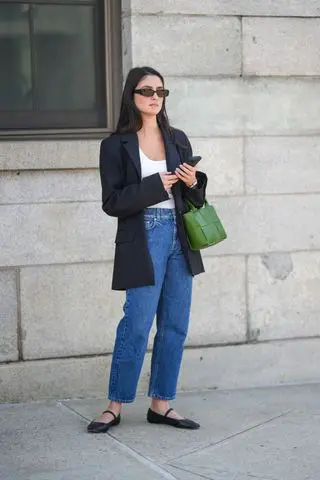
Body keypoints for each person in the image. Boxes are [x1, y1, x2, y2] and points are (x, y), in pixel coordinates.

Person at [87, 66, 207, 433]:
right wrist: (157, 186)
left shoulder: (178, 138)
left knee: (174, 325)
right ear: (131, 96)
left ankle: (161, 404)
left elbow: (197, 199)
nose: (155, 97)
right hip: (144, 235)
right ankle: (114, 406)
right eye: (146, 91)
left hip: (180, 237)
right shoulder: (115, 145)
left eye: (160, 91)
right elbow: (112, 202)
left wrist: (193, 181)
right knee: (136, 324)